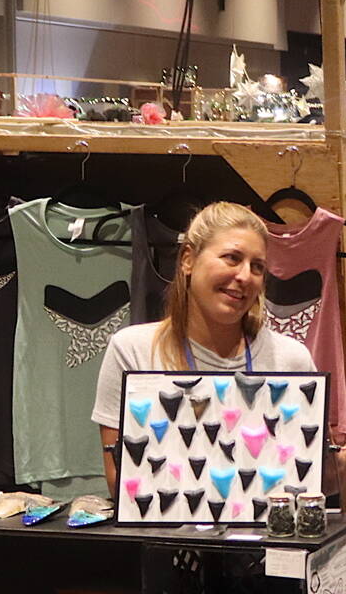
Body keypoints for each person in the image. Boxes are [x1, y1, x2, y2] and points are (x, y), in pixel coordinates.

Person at [92, 202, 316, 485]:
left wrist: (338, 469)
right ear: (188, 259)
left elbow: (306, 481)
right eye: (232, 258)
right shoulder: (132, 351)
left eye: (257, 266)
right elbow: (120, 482)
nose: (245, 276)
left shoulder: (292, 359)